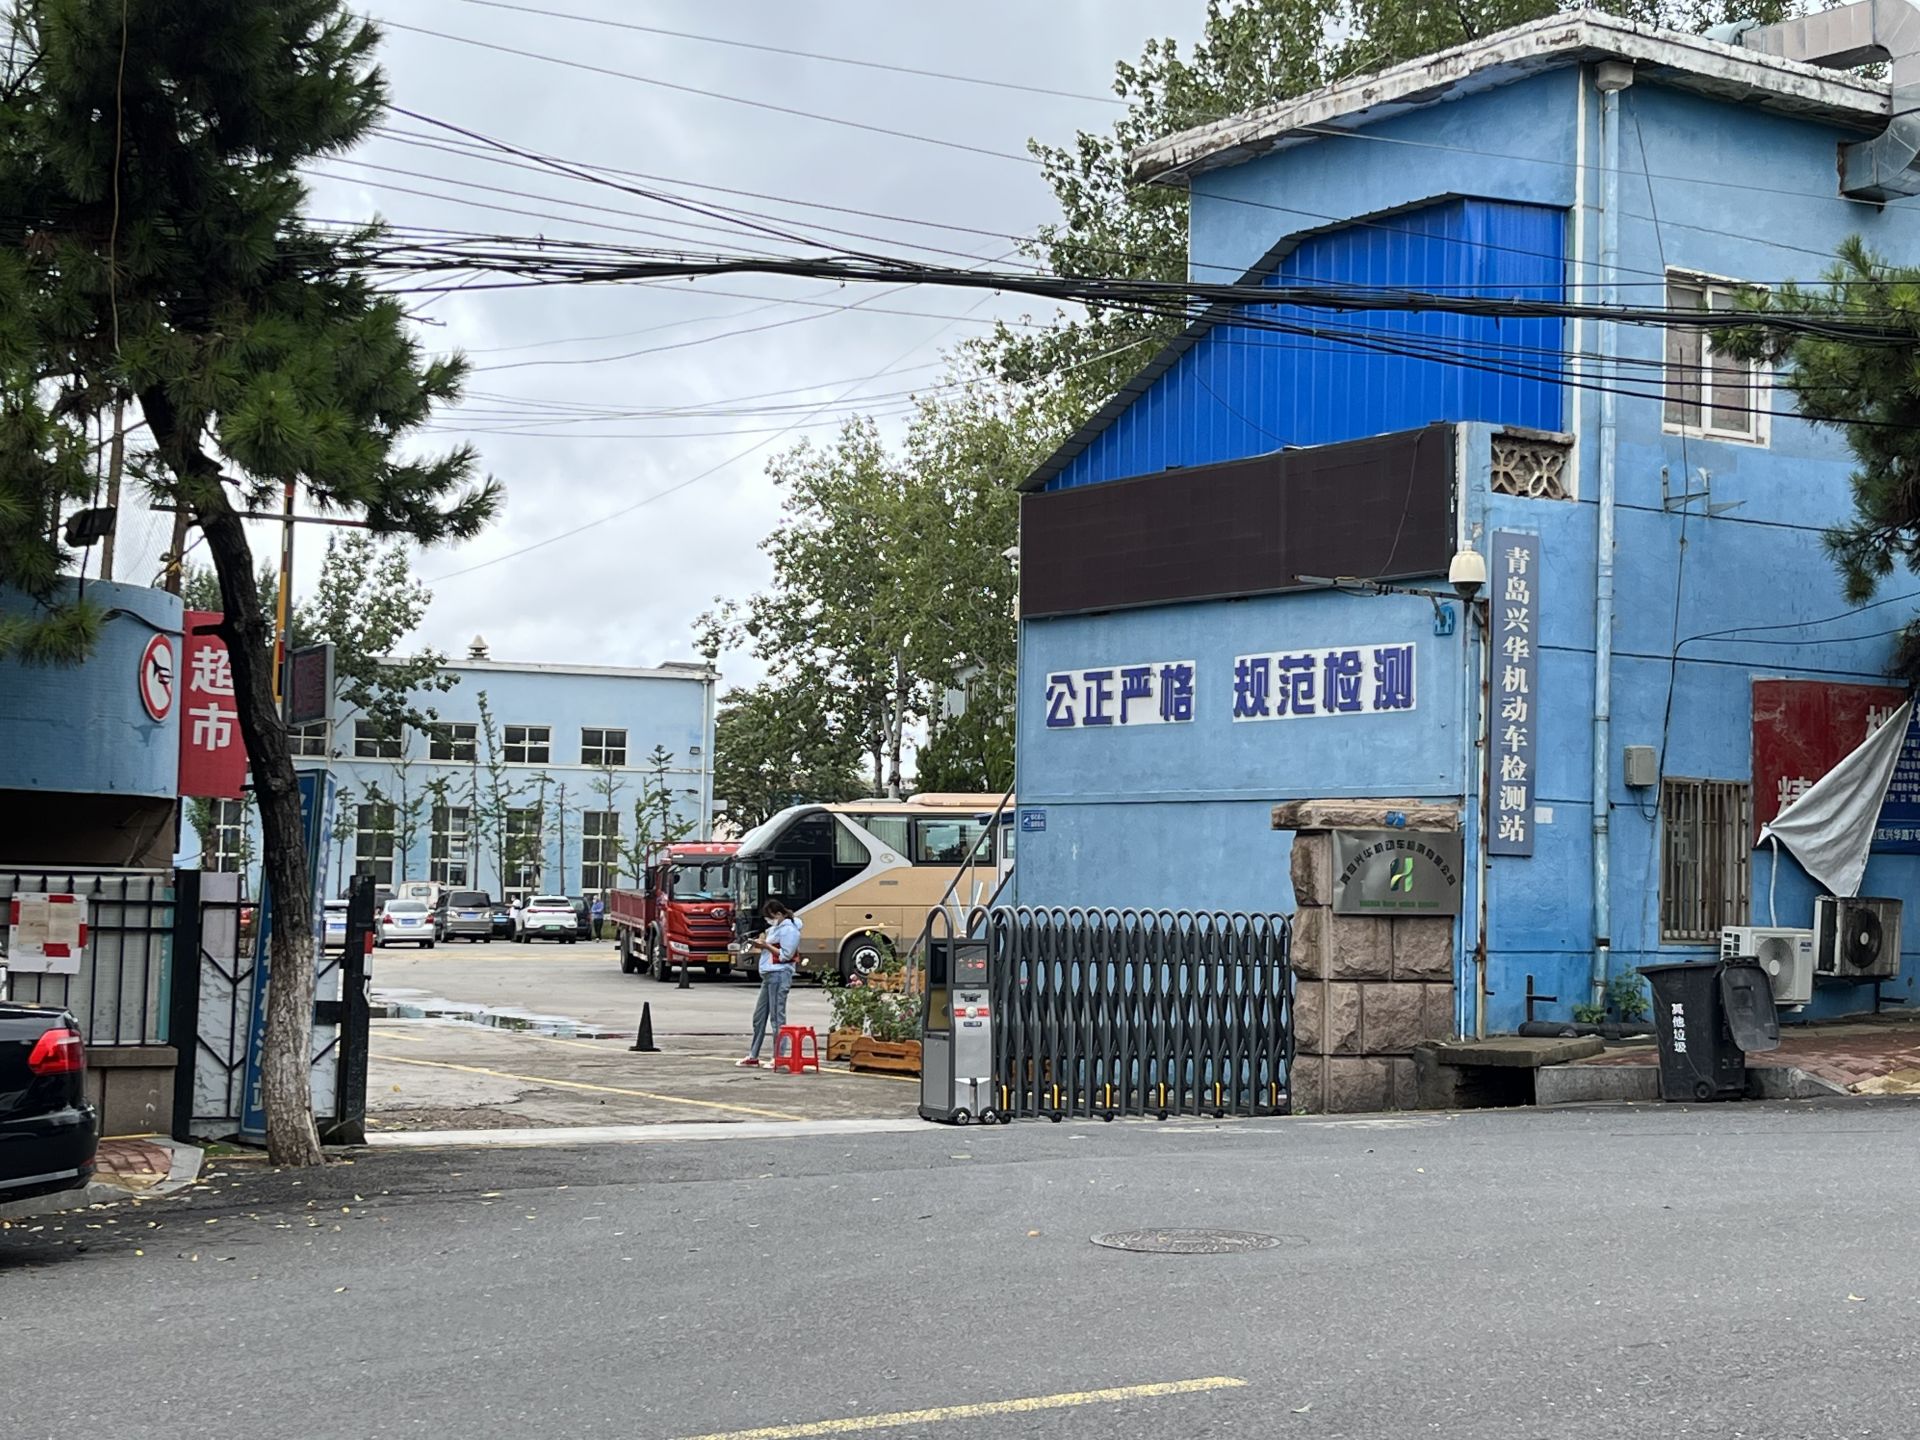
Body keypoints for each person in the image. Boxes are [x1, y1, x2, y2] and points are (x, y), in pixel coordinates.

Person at [737, 899, 801, 1067]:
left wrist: (766, 945)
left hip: (779, 974)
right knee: (759, 1017)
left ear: (779, 914)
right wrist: (761, 945)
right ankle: (753, 1055)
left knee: (777, 1017)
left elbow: (786, 955)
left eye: (770, 917)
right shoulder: (775, 928)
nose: (768, 920)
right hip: (769, 975)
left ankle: (779, 1057)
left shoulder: (790, 930)